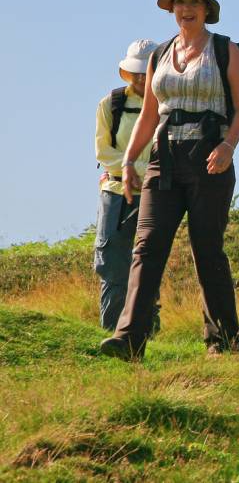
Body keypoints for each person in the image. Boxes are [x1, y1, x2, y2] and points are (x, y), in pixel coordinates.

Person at [99, 0, 239, 361]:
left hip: (210, 157)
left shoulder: (224, 50)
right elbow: (150, 114)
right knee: (146, 248)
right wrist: (131, 160)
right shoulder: (159, 55)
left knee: (207, 249)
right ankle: (129, 338)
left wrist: (228, 146)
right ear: (172, 9)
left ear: (206, 9)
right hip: (162, 159)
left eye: (193, 3)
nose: (185, 9)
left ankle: (224, 341)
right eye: (179, 3)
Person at [93, 39, 158, 330]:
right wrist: (137, 169)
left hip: (155, 194)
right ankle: (111, 330)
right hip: (116, 192)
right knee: (112, 264)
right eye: (137, 72)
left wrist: (140, 169)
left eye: (148, 72)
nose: (142, 78)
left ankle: (147, 332)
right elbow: (103, 153)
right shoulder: (111, 104)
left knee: (149, 264)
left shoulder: (167, 107)